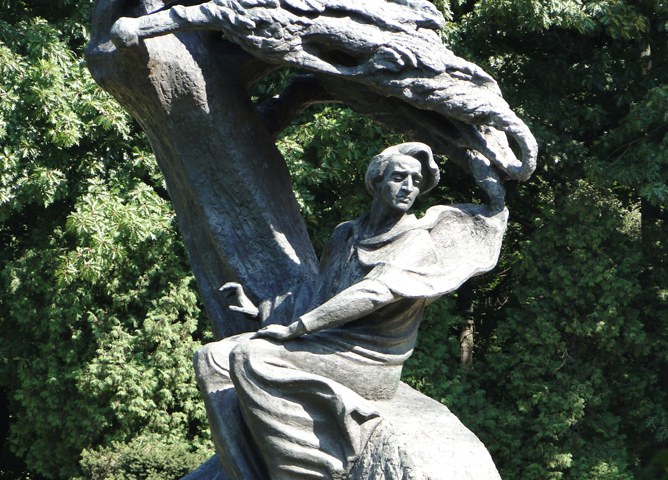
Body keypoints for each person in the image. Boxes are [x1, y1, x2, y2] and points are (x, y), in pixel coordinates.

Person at [194, 143, 508, 480]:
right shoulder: (346, 234)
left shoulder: (417, 244)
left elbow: (371, 293)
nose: (408, 188)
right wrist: (260, 311)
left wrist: (297, 328)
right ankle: (244, 473)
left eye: (416, 182)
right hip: (326, 340)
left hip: (370, 357)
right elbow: (319, 291)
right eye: (399, 177)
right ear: (377, 181)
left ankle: (300, 472)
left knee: (251, 356)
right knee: (211, 358)